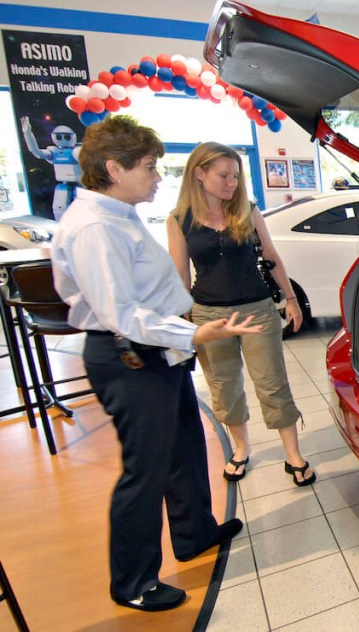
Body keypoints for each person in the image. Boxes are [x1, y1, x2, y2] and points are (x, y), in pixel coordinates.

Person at [51, 116, 260, 612]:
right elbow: (119, 312)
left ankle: (194, 535)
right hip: (129, 357)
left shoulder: (120, 215)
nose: (157, 176)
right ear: (113, 168)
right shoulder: (95, 227)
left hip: (155, 352)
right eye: (148, 167)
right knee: (144, 472)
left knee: (184, 447)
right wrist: (192, 332)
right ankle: (134, 582)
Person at [167, 142, 316, 489]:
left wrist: (290, 299)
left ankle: (293, 455)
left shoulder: (247, 211)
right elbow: (180, 278)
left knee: (272, 383)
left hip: (257, 310)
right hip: (208, 316)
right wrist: (183, 326)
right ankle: (240, 448)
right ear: (199, 174)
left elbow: (271, 255)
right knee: (224, 387)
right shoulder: (178, 220)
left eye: (235, 175)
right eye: (223, 175)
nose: (231, 182)